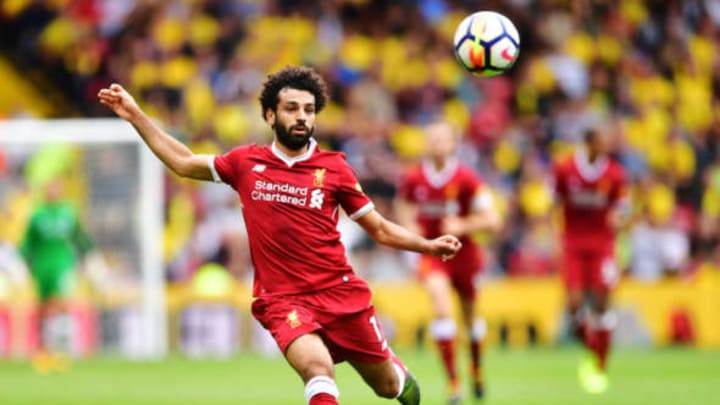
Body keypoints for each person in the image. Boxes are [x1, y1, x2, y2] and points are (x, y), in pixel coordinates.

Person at [98, 66, 462, 405]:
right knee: (317, 369)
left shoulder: (334, 168)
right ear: (271, 116)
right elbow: (183, 162)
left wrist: (427, 245)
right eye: (291, 108)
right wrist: (135, 116)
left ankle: (400, 379)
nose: (302, 116)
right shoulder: (245, 163)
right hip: (283, 300)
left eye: (308, 109)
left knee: (388, 387)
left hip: (341, 293)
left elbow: (379, 228)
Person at [396, 121, 501, 404]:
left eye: (442, 140)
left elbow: (493, 220)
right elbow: (403, 209)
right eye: (432, 139)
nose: (437, 145)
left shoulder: (467, 179)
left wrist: (463, 225)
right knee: (442, 308)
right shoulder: (414, 179)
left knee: (470, 319)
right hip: (434, 256)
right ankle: (454, 383)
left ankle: (476, 368)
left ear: (453, 144)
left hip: (465, 257)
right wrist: (411, 229)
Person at [552, 127, 628, 394]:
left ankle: (600, 364)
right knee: (573, 303)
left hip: (603, 245)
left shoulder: (615, 173)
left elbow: (622, 207)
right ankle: (589, 345)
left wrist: (618, 219)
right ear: (588, 143)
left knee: (602, 301)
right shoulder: (566, 170)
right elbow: (555, 202)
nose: (605, 146)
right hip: (573, 243)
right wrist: (555, 240)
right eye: (600, 142)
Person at [20, 178, 93, 372]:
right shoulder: (37, 215)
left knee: (61, 304)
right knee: (43, 310)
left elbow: (80, 238)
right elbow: (28, 244)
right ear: (45, 191)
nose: (53, 191)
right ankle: (44, 352)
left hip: (63, 264)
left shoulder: (69, 212)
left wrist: (88, 256)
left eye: (56, 187)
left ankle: (62, 351)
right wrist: (25, 264)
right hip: (42, 267)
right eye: (50, 188)